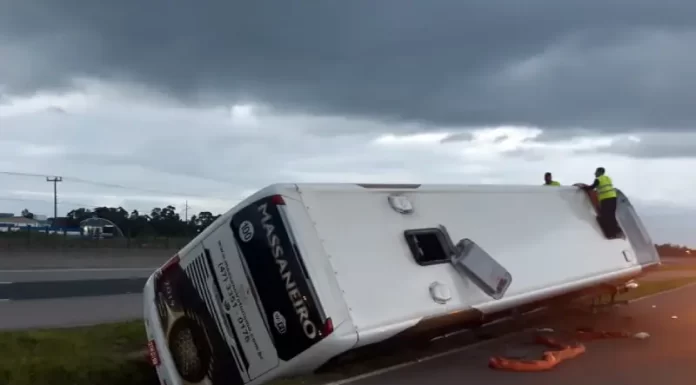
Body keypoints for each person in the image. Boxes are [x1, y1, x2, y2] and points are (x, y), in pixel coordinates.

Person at [581, 167, 622, 238]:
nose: (595, 173)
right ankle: (617, 231)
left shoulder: (598, 179)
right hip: (613, 198)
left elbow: (591, 187)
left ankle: (610, 233)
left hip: (606, 199)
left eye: (596, 172)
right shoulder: (608, 178)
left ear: (599, 172)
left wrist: (583, 188)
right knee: (611, 215)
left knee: (606, 216)